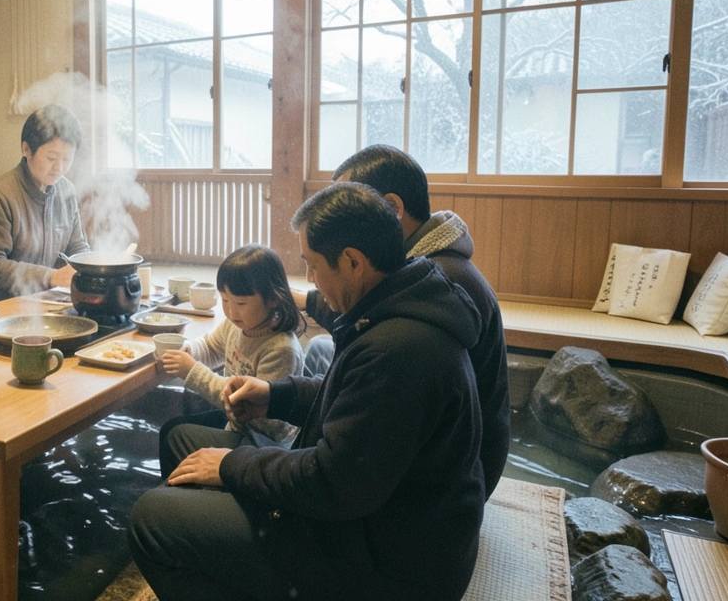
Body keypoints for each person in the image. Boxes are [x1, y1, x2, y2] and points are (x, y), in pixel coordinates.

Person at [129, 182, 485, 601]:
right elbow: (352, 403)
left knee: (150, 518)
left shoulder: (398, 348)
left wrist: (231, 466)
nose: (310, 281)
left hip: (390, 564)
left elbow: (331, 484)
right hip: (380, 525)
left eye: (313, 266)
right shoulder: (397, 307)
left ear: (352, 262)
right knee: (186, 441)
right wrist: (276, 394)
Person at [298, 144, 509, 496]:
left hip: (453, 477)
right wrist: (306, 301)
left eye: (348, 203)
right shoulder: (419, 268)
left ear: (392, 209)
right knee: (321, 349)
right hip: (438, 448)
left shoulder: (442, 280)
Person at [157, 244, 305, 478]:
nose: (231, 311)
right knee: (171, 428)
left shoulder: (281, 349)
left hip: (262, 441)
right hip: (238, 424)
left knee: (174, 433)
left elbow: (249, 409)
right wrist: (190, 350)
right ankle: (182, 489)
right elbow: (211, 346)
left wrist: (192, 371)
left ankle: (191, 494)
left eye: (241, 304)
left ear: (274, 299)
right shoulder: (238, 325)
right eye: (225, 300)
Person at [0, 104, 91, 306]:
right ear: (26, 149)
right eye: (52, 158)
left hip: (39, 304)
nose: (60, 168)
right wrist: (51, 277)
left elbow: (77, 247)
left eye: (67, 158)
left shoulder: (66, 191)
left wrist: (95, 268)